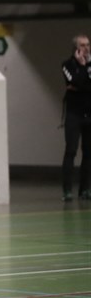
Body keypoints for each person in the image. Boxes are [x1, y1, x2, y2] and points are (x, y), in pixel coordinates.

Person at [62, 34, 91, 201]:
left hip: (89, 114)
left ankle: (85, 189)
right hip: (74, 114)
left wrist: (79, 85)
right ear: (76, 48)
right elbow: (74, 82)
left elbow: (80, 85)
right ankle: (67, 190)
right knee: (71, 150)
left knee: (88, 152)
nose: (86, 48)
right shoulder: (67, 65)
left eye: (88, 45)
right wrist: (81, 66)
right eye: (83, 45)